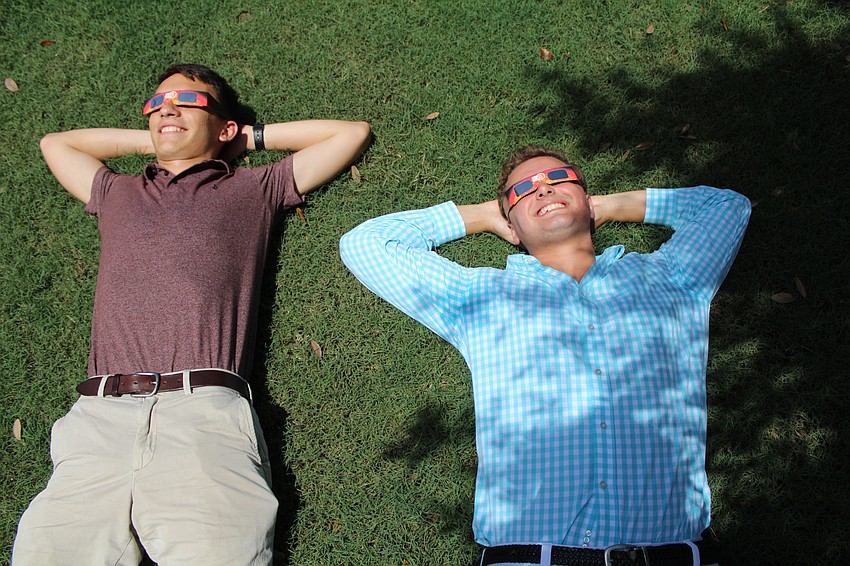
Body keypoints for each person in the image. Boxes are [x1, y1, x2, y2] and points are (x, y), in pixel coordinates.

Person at [12, 63, 370, 566]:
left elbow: (348, 133)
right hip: (98, 420)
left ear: (225, 127)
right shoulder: (117, 192)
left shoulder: (255, 188)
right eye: (157, 103)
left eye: (188, 100)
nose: (167, 108)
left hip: (203, 414)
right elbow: (56, 144)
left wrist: (240, 141)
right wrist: (163, 136)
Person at [340, 145, 750, 566]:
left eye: (559, 179)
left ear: (587, 201)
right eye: (523, 190)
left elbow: (726, 207)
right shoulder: (478, 296)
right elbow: (367, 244)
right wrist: (483, 215)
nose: (543, 189)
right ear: (510, 227)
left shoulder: (673, 277)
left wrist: (607, 206)